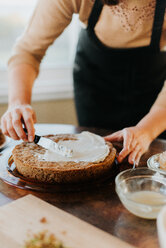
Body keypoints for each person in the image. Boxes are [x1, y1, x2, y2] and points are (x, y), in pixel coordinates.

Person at [1, 0, 166, 166]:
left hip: (157, 101)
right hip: (95, 90)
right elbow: (28, 50)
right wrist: (18, 102)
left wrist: (146, 131)